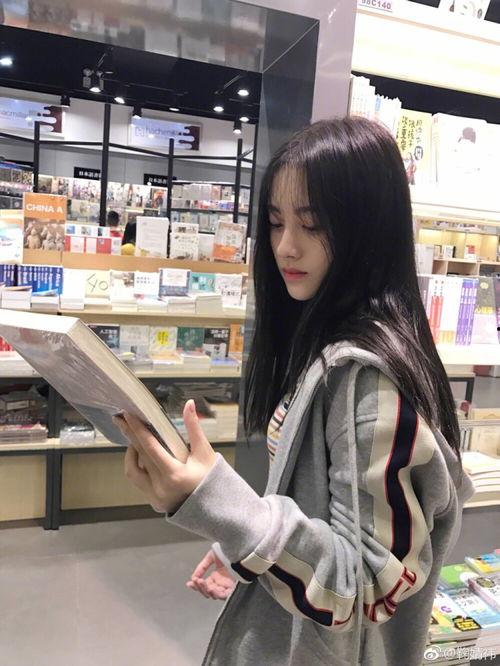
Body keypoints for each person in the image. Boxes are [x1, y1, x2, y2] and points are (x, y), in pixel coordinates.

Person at [115, 117, 474, 666]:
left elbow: (366, 588)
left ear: (367, 228)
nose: (286, 246)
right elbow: (321, 510)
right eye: (277, 222)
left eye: (312, 224)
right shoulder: (328, 344)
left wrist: (226, 511)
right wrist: (242, 544)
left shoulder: (368, 380)